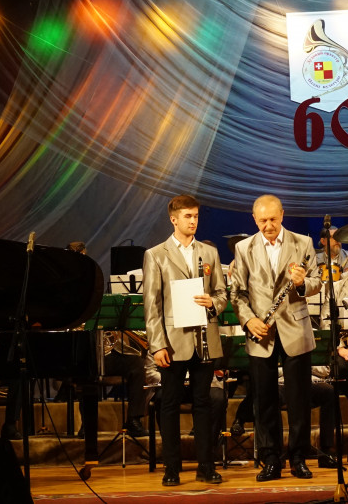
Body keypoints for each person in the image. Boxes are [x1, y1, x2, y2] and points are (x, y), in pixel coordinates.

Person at [229, 194, 322, 481]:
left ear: (282, 215)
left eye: (273, 219)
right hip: (261, 331)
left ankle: (298, 457)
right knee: (264, 400)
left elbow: (317, 282)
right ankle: (270, 459)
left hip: (295, 330)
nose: (268, 225)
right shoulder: (243, 248)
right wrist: (249, 320)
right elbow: (237, 293)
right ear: (254, 219)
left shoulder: (302, 242)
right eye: (262, 220)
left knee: (299, 399)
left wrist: (302, 283)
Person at [143, 194, 227, 486]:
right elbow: (152, 304)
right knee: (170, 404)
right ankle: (172, 468)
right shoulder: (157, 254)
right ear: (174, 219)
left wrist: (213, 303)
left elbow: (222, 293)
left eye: (196, 216)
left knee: (204, 403)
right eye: (187, 216)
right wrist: (157, 345)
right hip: (172, 341)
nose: (193, 221)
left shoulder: (209, 252)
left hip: (204, 339)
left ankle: (206, 465)